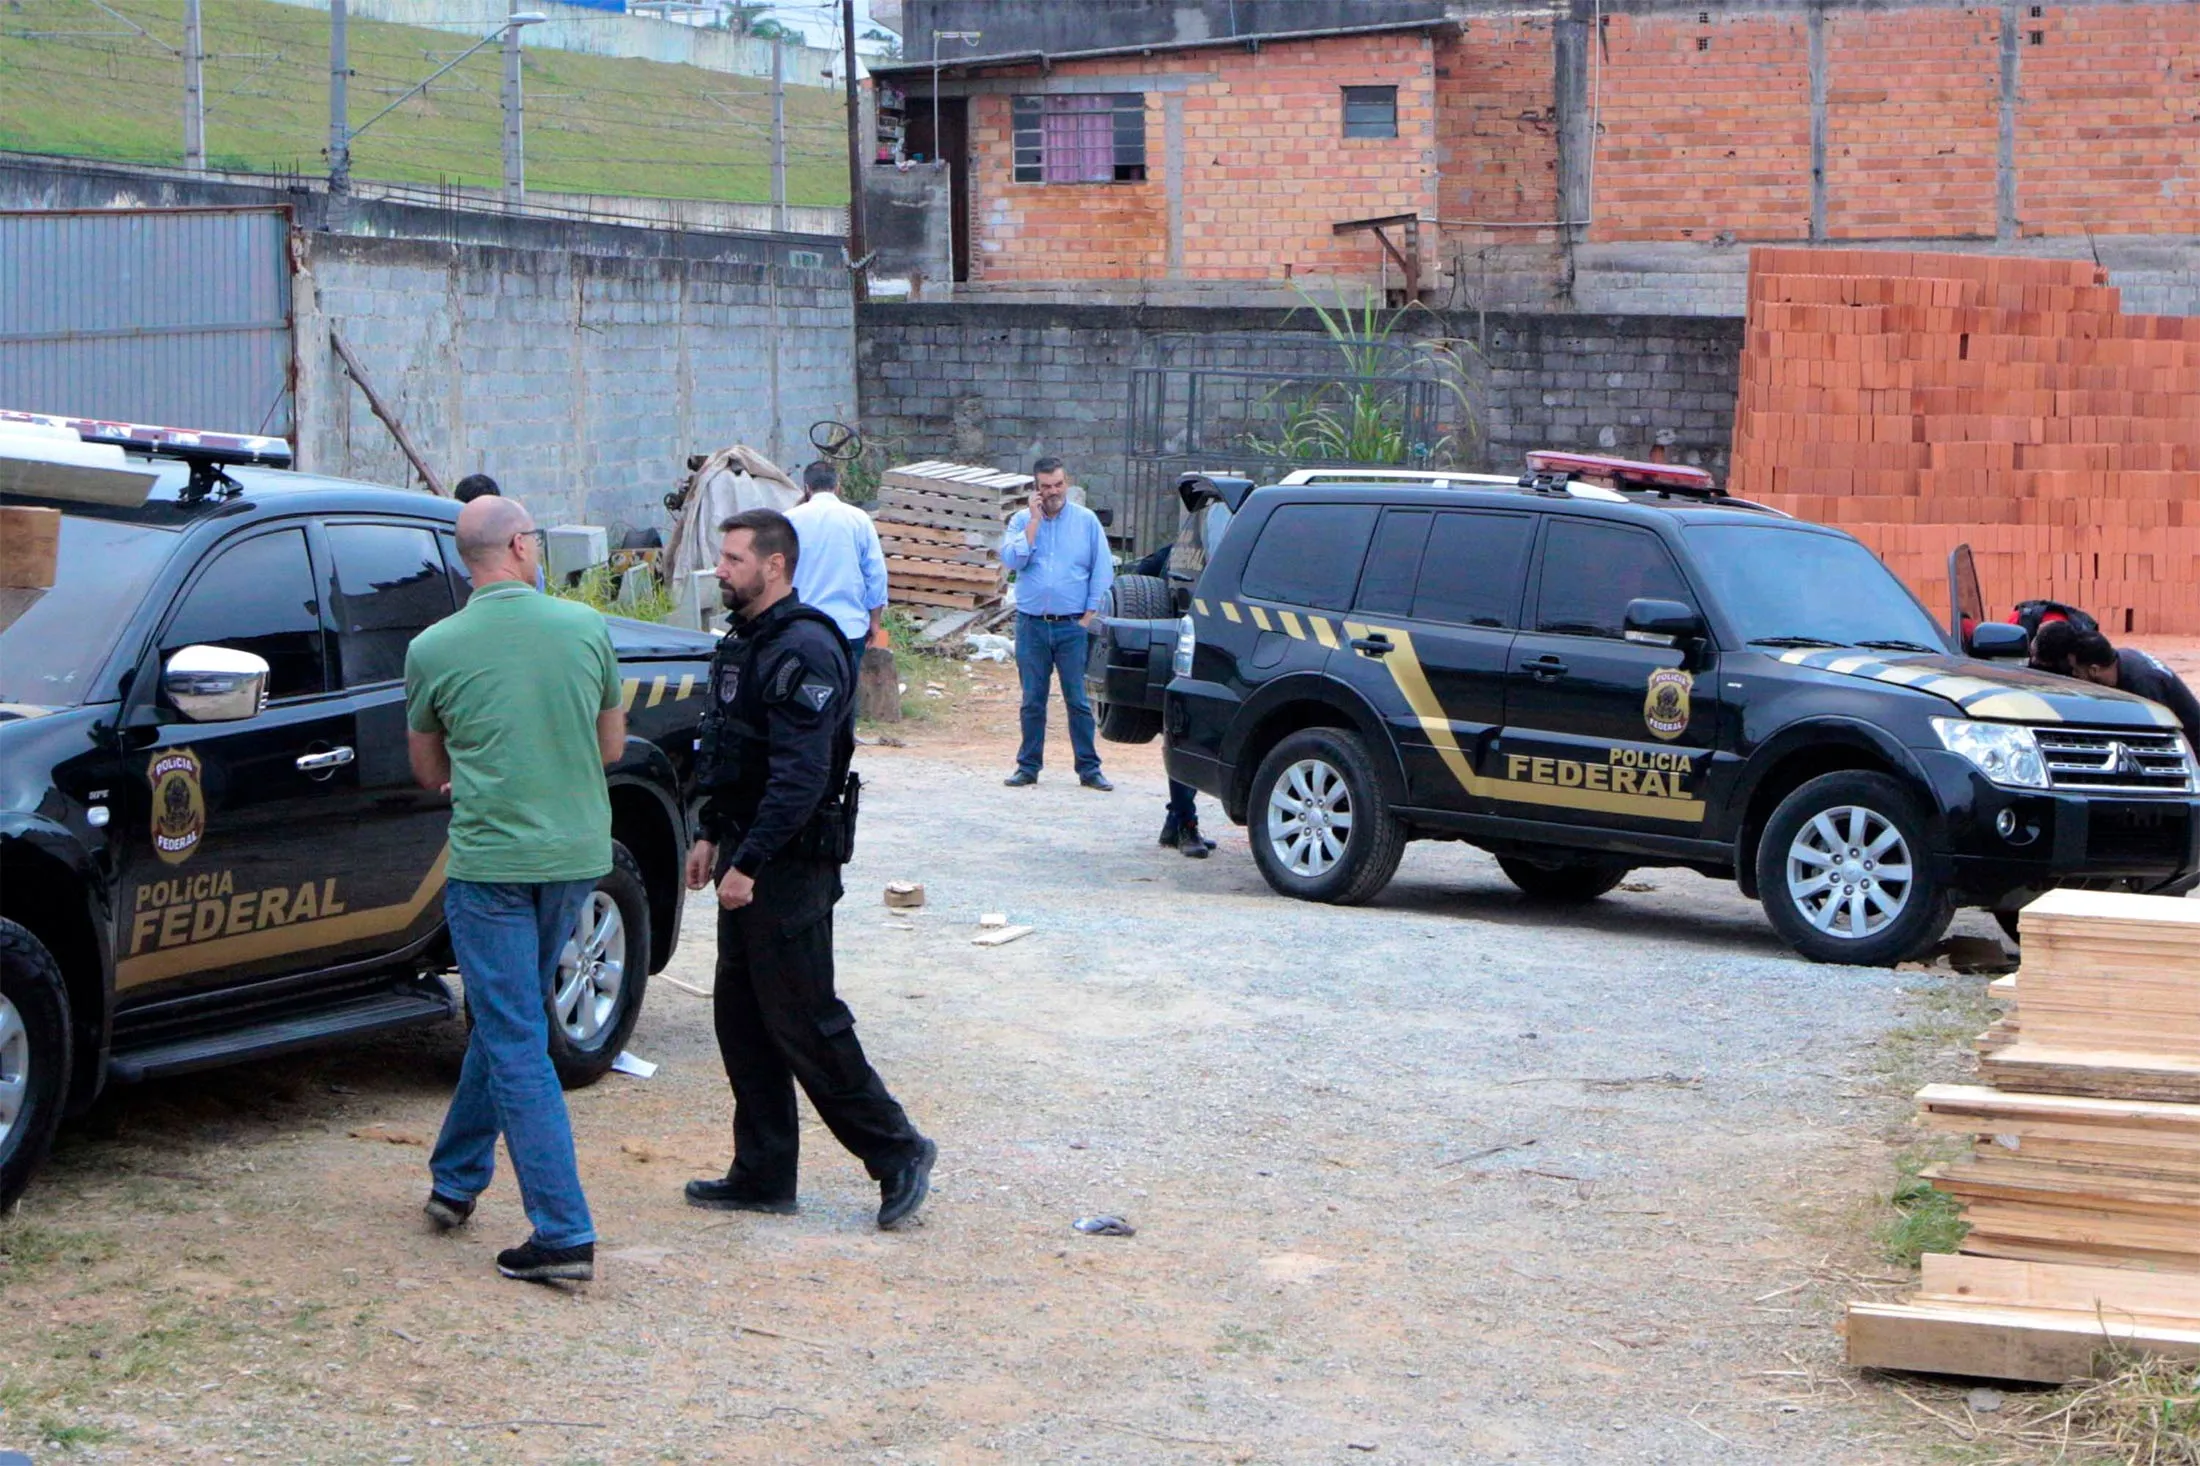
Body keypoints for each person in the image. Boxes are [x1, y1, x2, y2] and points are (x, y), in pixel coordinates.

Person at [683, 509, 935, 1228]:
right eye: (722, 557)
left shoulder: (805, 649)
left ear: (776, 566)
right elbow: (726, 748)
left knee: (805, 1020)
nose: (722, 569)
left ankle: (898, 1150)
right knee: (743, 1019)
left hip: (788, 863)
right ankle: (762, 1173)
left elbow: (800, 777)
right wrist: (708, 834)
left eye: (734, 559)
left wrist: (750, 864)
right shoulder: (744, 644)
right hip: (746, 852)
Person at [404, 494, 625, 1284]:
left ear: (470, 561)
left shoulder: (433, 647)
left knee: (511, 1034)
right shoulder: (585, 628)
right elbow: (611, 745)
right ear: (524, 548)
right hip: (572, 854)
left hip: (491, 863)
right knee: (511, 1021)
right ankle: (456, 1179)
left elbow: (428, 771)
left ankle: (563, 1232)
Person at [998, 456, 1114, 790]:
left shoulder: (1086, 521)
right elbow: (1012, 560)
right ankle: (1028, 766)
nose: (1053, 492)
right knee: (1032, 700)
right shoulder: (1021, 521)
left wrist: (1088, 616)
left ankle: (1089, 769)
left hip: (1072, 627)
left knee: (1078, 700)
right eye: (1046, 487)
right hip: (1032, 626)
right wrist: (1034, 522)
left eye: (1058, 484)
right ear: (1036, 489)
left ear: (1067, 482)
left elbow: (1102, 571)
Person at [1126, 536, 1215, 859]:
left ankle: (1174, 820)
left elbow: (1137, 574)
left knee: (1187, 739)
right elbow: (1135, 584)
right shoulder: (1188, 553)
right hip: (1179, 657)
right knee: (1185, 739)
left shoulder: (1181, 552)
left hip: (1194, 655)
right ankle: (1185, 825)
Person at [787, 459, 890, 676]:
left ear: (806, 488)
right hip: (849, 628)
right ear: (838, 486)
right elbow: (876, 574)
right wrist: (875, 623)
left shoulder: (789, 520)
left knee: (798, 694)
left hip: (800, 628)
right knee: (844, 695)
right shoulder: (859, 519)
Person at [2061, 629, 2200, 747]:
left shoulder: (2143, 684)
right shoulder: (2122, 659)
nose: (2074, 674)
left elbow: (2160, 739)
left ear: (2094, 670)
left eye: (2076, 669)